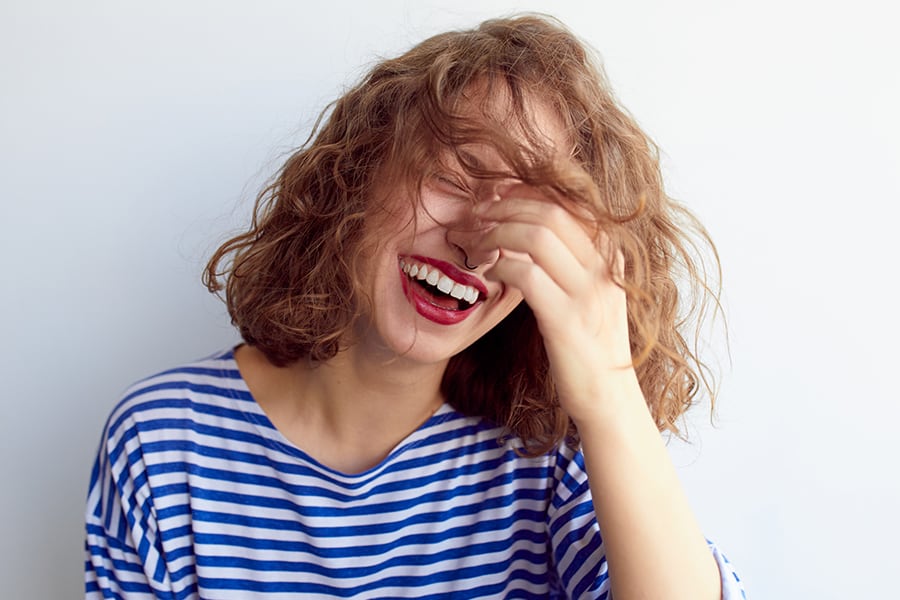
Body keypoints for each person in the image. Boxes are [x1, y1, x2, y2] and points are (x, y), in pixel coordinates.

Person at [85, 14, 746, 600]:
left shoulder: (551, 460)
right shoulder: (162, 445)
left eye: (531, 219)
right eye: (456, 175)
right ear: (358, 173)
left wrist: (608, 393)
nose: (477, 243)